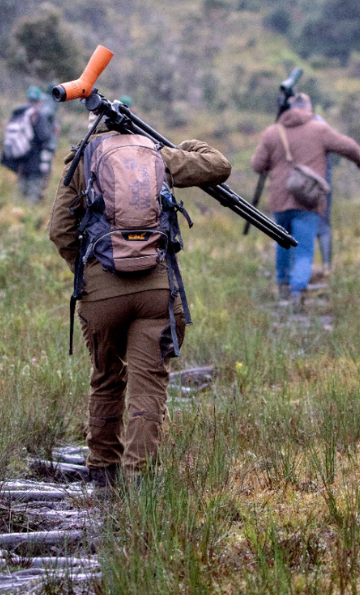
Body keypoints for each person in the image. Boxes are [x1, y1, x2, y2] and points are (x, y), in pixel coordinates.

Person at [48, 110, 231, 488]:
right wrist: (186, 145)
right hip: (155, 290)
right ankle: (139, 479)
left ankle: (101, 468)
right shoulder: (157, 154)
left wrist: (87, 271)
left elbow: (59, 230)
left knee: (106, 378)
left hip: (100, 294)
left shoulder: (83, 159)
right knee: (149, 384)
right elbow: (219, 166)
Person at [249, 92, 360, 306]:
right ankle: (298, 291)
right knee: (304, 249)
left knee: (282, 244)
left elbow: (258, 166)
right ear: (308, 108)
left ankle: (283, 286)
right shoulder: (319, 129)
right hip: (308, 200)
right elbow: (348, 145)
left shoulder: (272, 132)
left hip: (280, 199)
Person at [2, 85, 57, 203]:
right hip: (35, 157)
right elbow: (44, 136)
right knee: (34, 186)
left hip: (20, 155)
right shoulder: (37, 115)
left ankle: (17, 208)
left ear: (27, 99)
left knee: (21, 183)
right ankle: (29, 212)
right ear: (39, 101)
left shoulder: (18, 112)